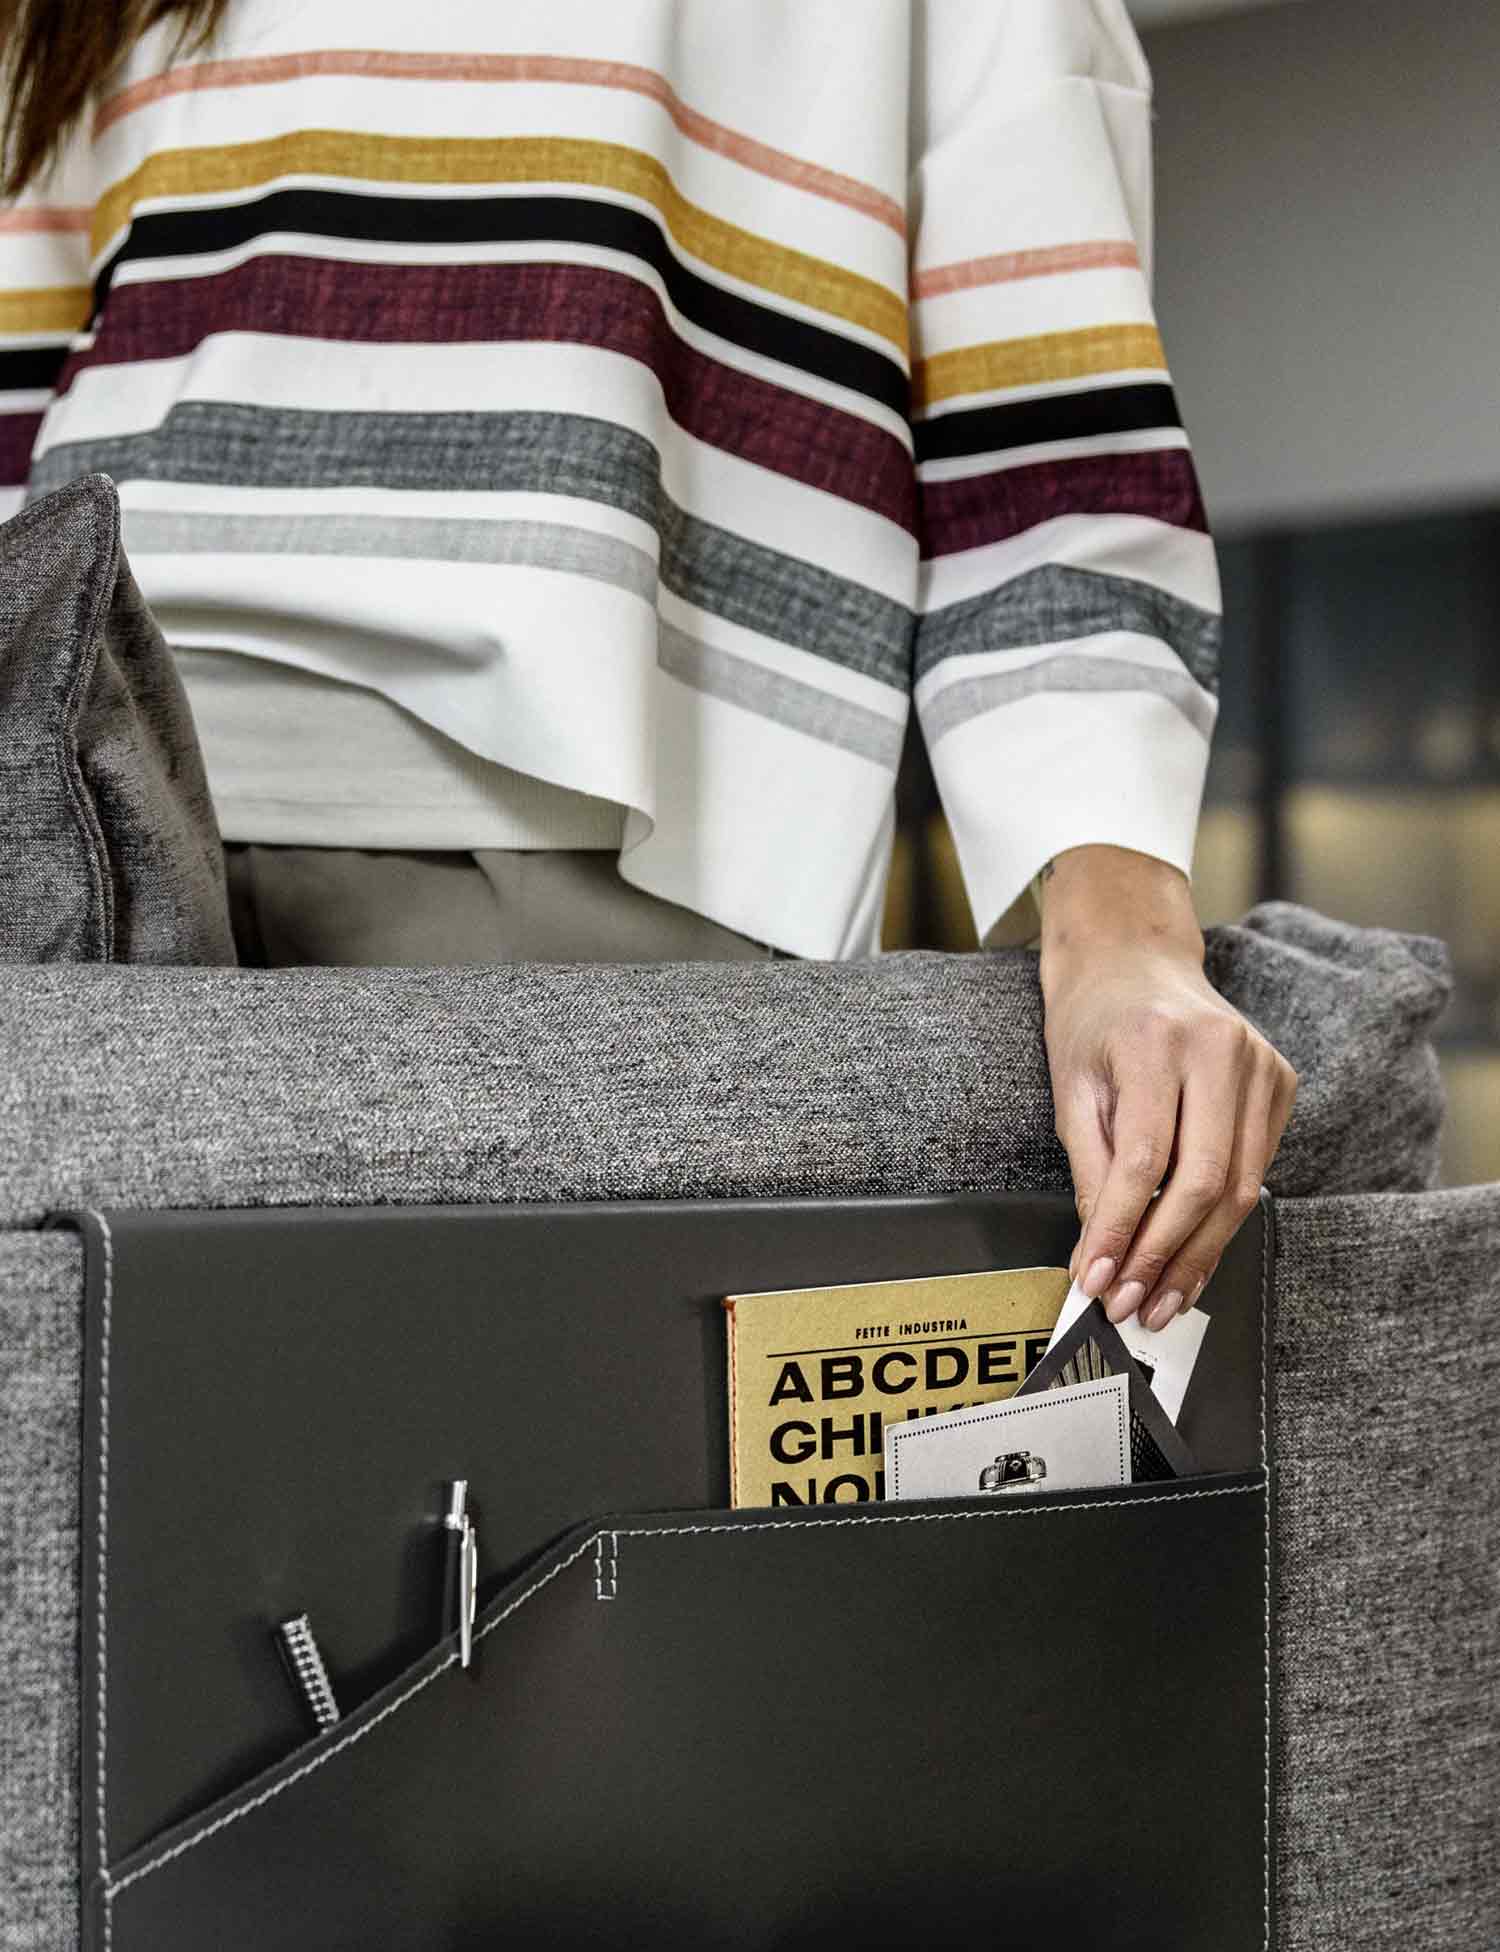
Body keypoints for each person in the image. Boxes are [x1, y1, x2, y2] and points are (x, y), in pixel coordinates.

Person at [0, 0, 1295, 1327]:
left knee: (500, 1491)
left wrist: (1126, 934)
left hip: (560, 854)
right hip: (84, 827)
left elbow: (1044, 438)